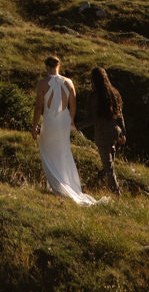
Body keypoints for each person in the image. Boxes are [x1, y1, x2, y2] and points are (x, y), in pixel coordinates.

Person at [32, 56, 97, 206]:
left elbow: (38, 108)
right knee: (63, 153)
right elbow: (73, 106)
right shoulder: (69, 83)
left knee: (47, 152)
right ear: (58, 65)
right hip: (64, 122)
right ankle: (67, 185)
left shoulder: (42, 83)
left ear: (46, 66)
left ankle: (56, 186)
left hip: (50, 122)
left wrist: (34, 126)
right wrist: (71, 120)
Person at [79, 66, 126, 194]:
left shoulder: (94, 97)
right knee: (108, 164)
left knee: (109, 166)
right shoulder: (114, 93)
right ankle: (95, 184)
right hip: (115, 132)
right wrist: (122, 133)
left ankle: (116, 194)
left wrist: (76, 127)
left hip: (102, 134)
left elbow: (92, 119)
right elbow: (120, 115)